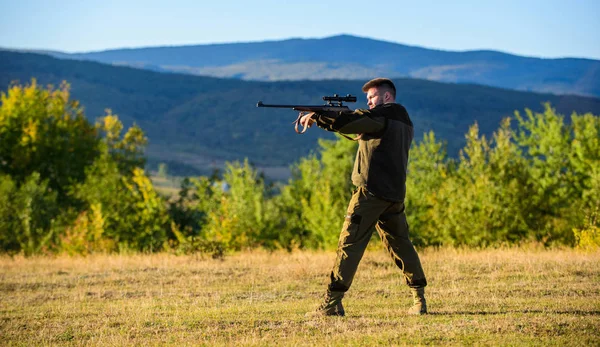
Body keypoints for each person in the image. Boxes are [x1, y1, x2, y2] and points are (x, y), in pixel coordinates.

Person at [299, 78, 428, 317]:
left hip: (370, 193)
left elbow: (351, 122)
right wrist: (326, 117)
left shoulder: (383, 116)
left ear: (387, 97)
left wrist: (318, 116)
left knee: (349, 244)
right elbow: (356, 124)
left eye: (372, 98)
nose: (368, 102)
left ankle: (331, 303)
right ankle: (419, 299)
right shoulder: (402, 119)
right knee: (401, 245)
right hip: (394, 194)